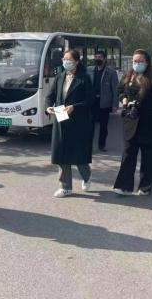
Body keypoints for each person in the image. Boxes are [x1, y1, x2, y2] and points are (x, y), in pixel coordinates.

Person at [113, 49, 152, 196]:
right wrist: (124, 99)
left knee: (149, 156)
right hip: (131, 121)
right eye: (135, 61)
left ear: (147, 62)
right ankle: (124, 185)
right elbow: (120, 90)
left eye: (140, 61)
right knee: (128, 154)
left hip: (150, 123)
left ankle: (146, 185)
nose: (137, 64)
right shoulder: (128, 75)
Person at [45, 49, 94, 198]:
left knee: (78, 155)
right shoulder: (60, 77)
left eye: (69, 60)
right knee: (62, 154)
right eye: (64, 59)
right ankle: (65, 187)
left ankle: (87, 176)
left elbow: (90, 100)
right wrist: (48, 107)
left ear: (77, 62)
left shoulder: (84, 78)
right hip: (61, 118)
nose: (66, 62)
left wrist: (75, 107)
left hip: (78, 122)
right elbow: (50, 96)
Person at [88, 50, 119, 152]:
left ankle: (102, 145)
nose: (98, 59)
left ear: (105, 59)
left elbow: (115, 89)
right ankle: (89, 146)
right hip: (92, 103)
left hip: (104, 104)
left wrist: (115, 105)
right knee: (90, 125)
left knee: (103, 126)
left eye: (100, 57)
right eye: (96, 57)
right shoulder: (90, 70)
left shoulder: (111, 72)